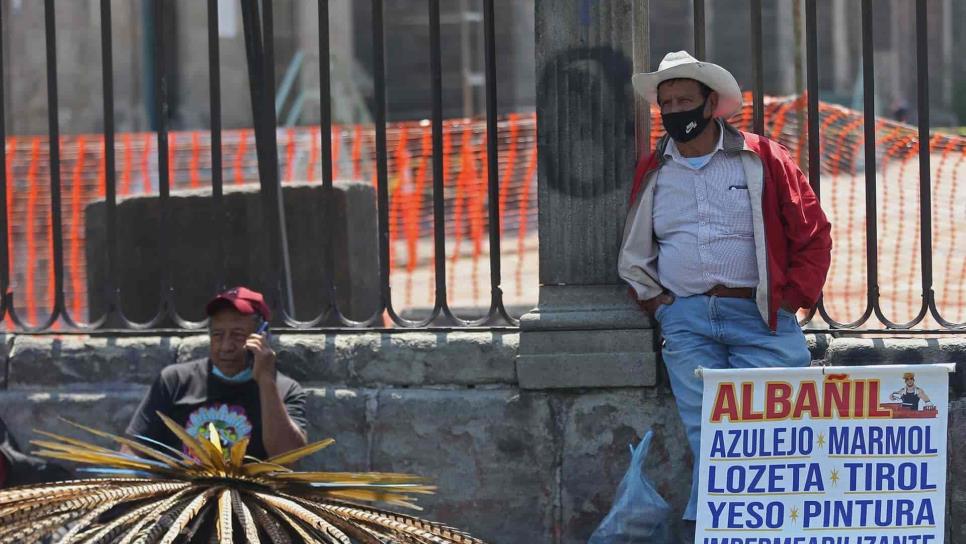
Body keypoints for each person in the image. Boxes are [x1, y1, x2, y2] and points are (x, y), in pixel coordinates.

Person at [618, 51, 832, 522]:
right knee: (709, 436)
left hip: (760, 319)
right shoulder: (654, 169)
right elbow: (636, 244)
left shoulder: (763, 158)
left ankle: (762, 525)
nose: (675, 111)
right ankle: (715, 526)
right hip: (688, 322)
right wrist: (656, 303)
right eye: (666, 102)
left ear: (710, 103)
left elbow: (812, 232)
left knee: (783, 431)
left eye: (684, 100)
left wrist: (791, 300)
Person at [125, 287, 307, 460]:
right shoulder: (176, 381)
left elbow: (287, 459)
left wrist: (266, 381)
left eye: (238, 335)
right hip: (185, 490)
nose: (226, 347)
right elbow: (133, 449)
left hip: (247, 493)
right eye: (218, 335)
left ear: (262, 336)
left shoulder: (284, 390)